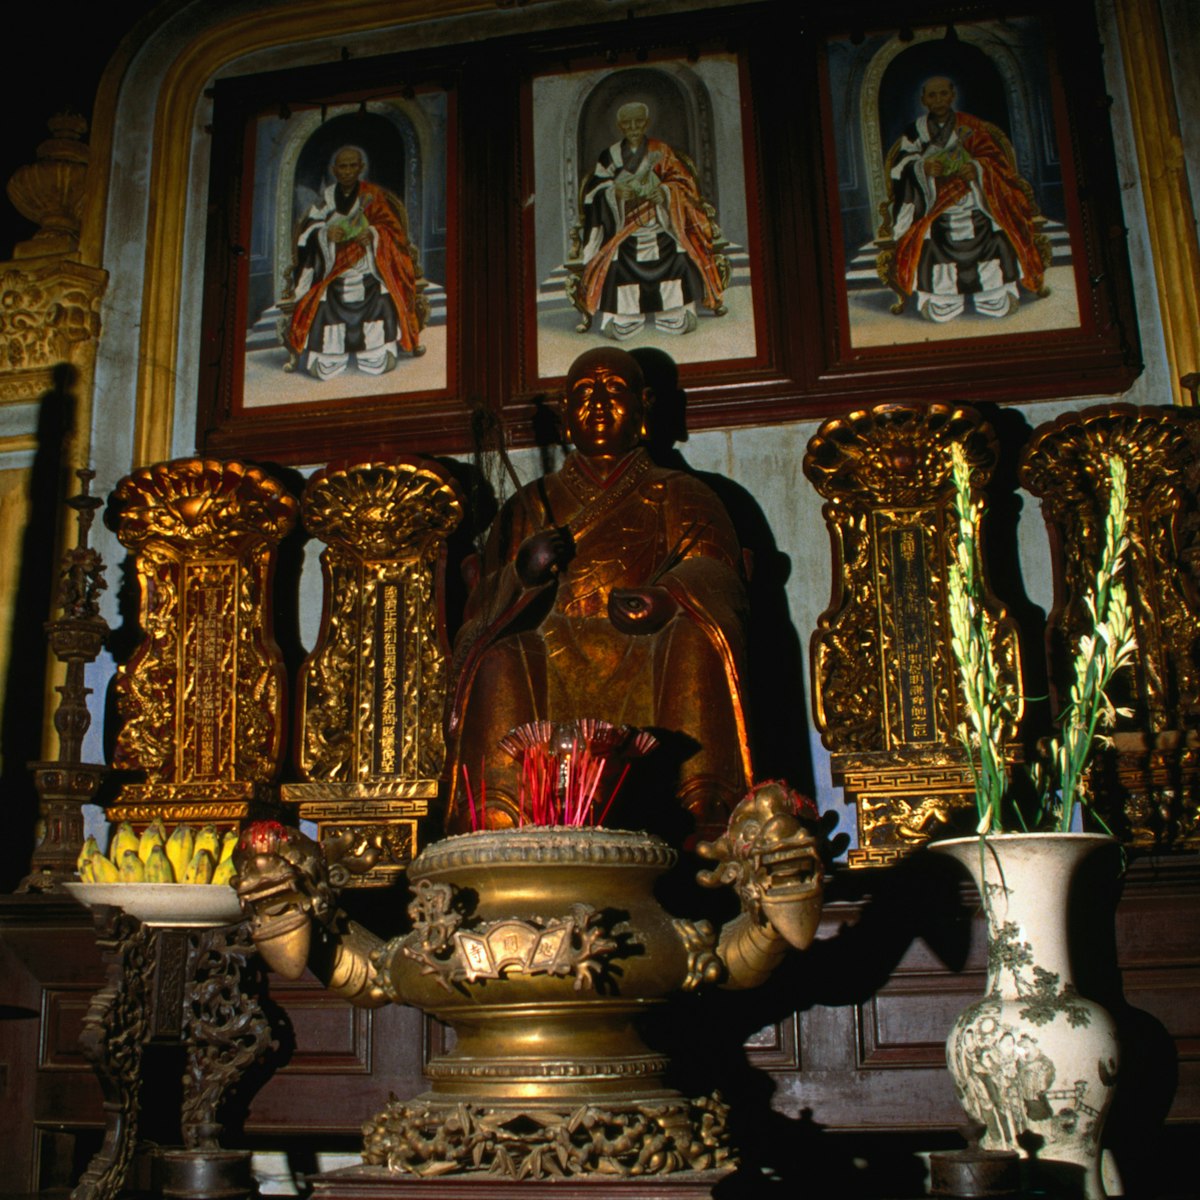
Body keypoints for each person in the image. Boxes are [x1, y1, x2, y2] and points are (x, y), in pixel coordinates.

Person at [445, 347, 751, 839]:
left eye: (615, 390)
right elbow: (479, 608)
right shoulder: (529, 505)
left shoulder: (680, 493)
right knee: (498, 658)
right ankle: (498, 819)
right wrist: (522, 574)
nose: (599, 404)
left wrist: (668, 597)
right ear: (565, 420)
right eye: (584, 394)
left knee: (694, 640)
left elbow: (720, 573)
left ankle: (700, 815)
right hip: (547, 657)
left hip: (647, 651)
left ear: (645, 406)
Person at [888, 77, 1048, 322]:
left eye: (943, 94)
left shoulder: (972, 125)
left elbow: (996, 161)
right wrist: (922, 167)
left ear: (952, 95)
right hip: (934, 203)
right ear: (923, 100)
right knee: (929, 234)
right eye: (932, 96)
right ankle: (943, 298)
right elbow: (900, 167)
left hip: (976, 198)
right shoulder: (915, 131)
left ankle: (992, 293)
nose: (938, 100)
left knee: (994, 230)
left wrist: (978, 168)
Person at [578, 103, 726, 340]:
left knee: (677, 253)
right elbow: (594, 191)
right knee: (616, 258)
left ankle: (673, 313)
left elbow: (683, 184)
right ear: (620, 126)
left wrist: (666, 193)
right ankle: (624, 318)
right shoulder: (610, 155)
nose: (633, 127)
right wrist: (614, 192)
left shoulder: (662, 150)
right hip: (623, 226)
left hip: (661, 221)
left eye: (638, 122)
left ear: (646, 123)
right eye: (628, 123)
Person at [287, 145, 424, 379]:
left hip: (370, 266)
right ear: (334, 170)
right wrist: (324, 233)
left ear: (360, 168)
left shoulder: (375, 197)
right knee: (322, 301)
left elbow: (395, 233)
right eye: (343, 166)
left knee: (382, 295)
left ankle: (376, 353)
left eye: (353, 166)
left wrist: (373, 233)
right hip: (332, 270)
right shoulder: (326, 200)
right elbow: (305, 233)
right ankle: (330, 357)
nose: (348, 171)